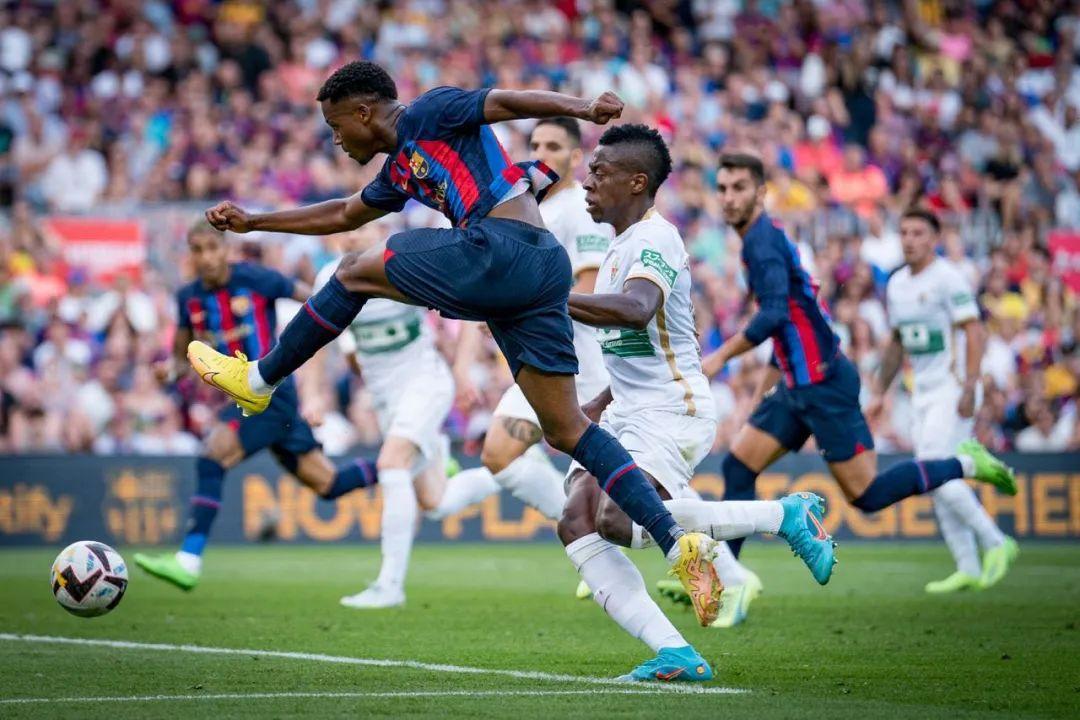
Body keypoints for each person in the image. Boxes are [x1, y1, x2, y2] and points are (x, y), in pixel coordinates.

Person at [191, 61, 723, 631]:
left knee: (350, 272)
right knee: (568, 430)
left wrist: (583, 108)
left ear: (363, 112)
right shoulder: (399, 169)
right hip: (539, 267)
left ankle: (260, 380)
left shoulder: (431, 111)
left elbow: (507, 101)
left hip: (500, 246)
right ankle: (677, 542)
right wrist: (255, 222)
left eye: (336, 125)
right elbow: (344, 212)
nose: (337, 139)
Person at [558, 125, 836, 682]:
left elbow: (637, 309)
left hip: (671, 410)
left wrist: (553, 301)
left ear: (637, 182)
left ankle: (783, 515)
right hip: (628, 409)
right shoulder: (618, 246)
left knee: (616, 518)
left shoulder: (655, 239)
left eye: (599, 172)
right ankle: (675, 652)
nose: (587, 182)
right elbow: (641, 346)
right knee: (575, 520)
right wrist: (598, 402)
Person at [700, 152, 1017, 617]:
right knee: (737, 467)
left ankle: (966, 464)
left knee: (867, 495)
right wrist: (763, 391)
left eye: (739, 188)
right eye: (723, 188)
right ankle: (729, 580)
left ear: (761, 193)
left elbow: (774, 315)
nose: (729, 198)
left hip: (824, 385)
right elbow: (790, 323)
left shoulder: (762, 243)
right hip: (797, 384)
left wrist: (719, 357)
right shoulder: (760, 241)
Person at [134, 221, 378, 591]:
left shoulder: (257, 279)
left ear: (226, 249)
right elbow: (181, 359)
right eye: (198, 250)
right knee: (329, 484)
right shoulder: (188, 299)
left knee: (212, 456)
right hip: (249, 402)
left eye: (212, 248)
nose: (207, 257)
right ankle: (418, 463)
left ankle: (188, 560)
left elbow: (318, 299)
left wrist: (343, 338)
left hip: (271, 393)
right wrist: (168, 371)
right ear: (191, 255)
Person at [425, 117, 611, 561]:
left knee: (634, 481)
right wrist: (465, 364)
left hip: (582, 363)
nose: (542, 153)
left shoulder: (580, 210)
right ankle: (590, 541)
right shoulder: (525, 210)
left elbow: (588, 290)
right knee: (499, 453)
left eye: (554, 146)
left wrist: (517, 304)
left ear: (576, 156)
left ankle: (723, 563)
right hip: (540, 358)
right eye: (535, 144)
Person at [307, 225, 456, 609]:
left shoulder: (406, 264)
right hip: (386, 398)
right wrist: (312, 394)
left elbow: (461, 304)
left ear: (382, 230)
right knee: (435, 500)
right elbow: (315, 339)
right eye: (346, 229)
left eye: (362, 228)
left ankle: (390, 586)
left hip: (426, 382)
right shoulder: (331, 277)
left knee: (391, 464)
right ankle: (501, 470)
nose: (351, 236)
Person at [875, 208, 1018, 593]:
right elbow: (898, 341)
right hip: (922, 389)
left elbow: (974, 332)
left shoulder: (948, 277)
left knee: (932, 467)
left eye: (918, 232)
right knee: (937, 477)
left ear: (934, 239)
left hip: (952, 387)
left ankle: (996, 542)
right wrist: (880, 391)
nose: (909, 239)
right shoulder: (896, 284)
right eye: (904, 232)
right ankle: (967, 565)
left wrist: (970, 385)